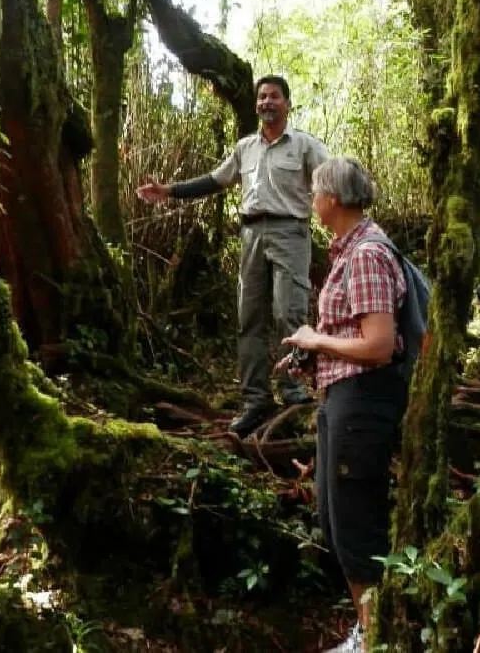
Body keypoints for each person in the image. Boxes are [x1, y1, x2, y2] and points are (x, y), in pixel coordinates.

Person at [136, 75, 328, 437]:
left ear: (287, 104)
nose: (266, 102)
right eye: (262, 97)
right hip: (251, 234)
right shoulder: (245, 148)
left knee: (288, 312)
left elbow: (331, 180)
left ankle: (293, 391)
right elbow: (215, 180)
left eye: (274, 96)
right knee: (249, 317)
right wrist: (169, 190)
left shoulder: (304, 146)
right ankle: (256, 399)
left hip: (291, 232)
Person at [279, 157, 406, 653]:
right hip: (343, 399)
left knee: (356, 527)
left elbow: (379, 345)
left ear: (332, 198)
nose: (312, 201)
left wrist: (318, 340)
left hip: (363, 402)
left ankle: (377, 639)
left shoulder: (367, 254)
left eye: (315, 193)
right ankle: (369, 630)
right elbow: (354, 335)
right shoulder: (349, 252)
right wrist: (312, 352)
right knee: (336, 523)